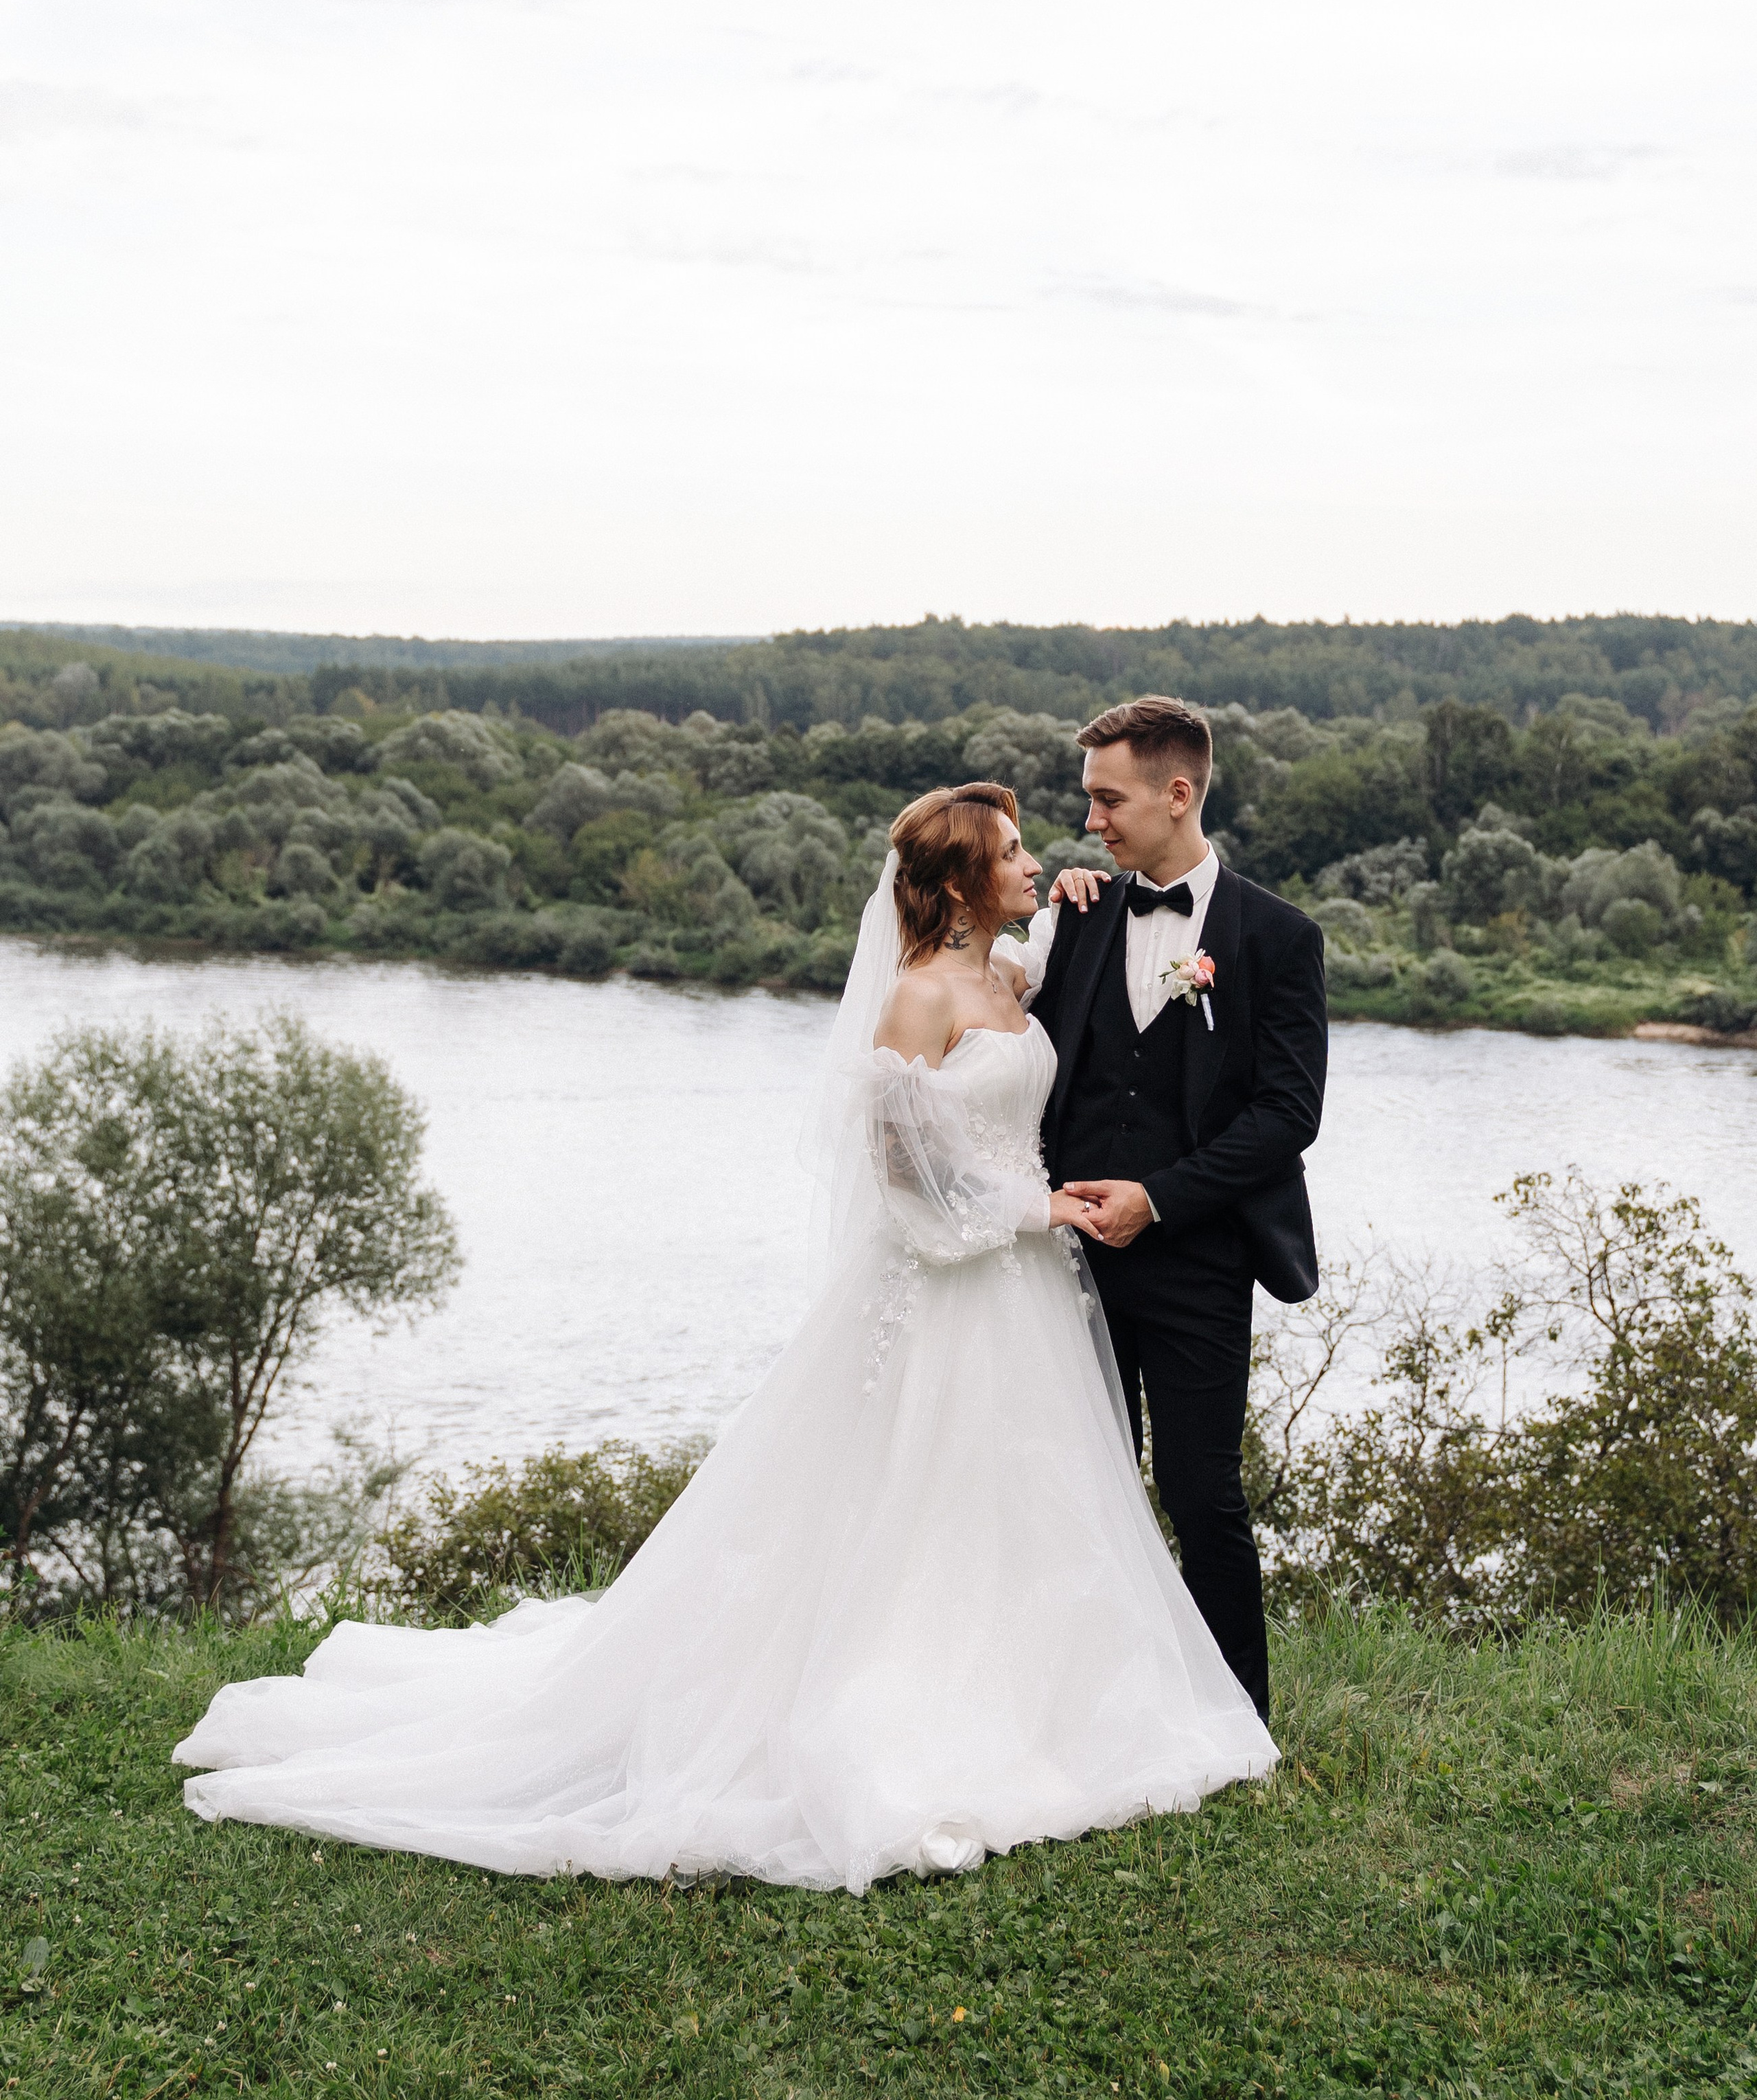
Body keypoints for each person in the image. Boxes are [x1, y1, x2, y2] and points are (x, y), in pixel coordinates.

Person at [174, 780, 1275, 1894]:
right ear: (957, 887)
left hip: (1027, 1294)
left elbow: (1054, 992)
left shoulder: (1008, 976)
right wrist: (1033, 1208)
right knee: (916, 1500)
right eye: (1013, 852)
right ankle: (901, 1706)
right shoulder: (916, 999)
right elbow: (903, 1175)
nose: (1036, 863)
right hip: (951, 1285)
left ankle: (1043, 1699)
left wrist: (1074, 901)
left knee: (1024, 1495)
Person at [1017, 697, 1327, 1720]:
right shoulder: (1078, 915)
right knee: (1078, 1489)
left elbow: (1289, 1114)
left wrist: (1159, 1199)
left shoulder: (1278, 937)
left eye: (1109, 799)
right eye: (1090, 800)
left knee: (1203, 1495)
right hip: (1070, 1263)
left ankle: (1236, 1722)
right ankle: (1083, 1713)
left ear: (1178, 793)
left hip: (1201, 1259)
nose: (1092, 819)